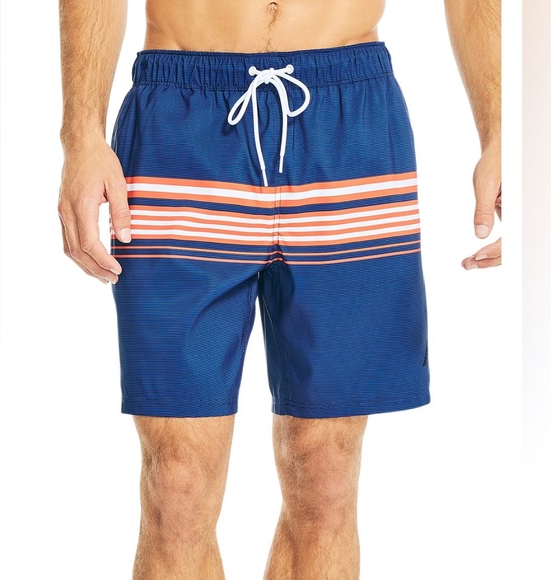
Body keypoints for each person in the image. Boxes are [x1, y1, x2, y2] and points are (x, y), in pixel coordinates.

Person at [57, 0, 501, 577]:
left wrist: (503, 133)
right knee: (177, 483)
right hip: (180, 122)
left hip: (349, 121)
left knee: (326, 471)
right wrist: (80, 135)